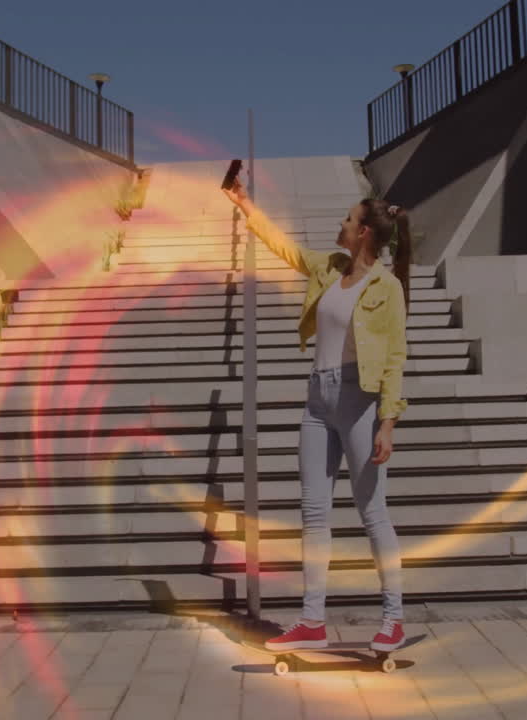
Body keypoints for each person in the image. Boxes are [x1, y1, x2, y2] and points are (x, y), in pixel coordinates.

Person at [221, 177, 412, 653]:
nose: (341, 224)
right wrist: (244, 203)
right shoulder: (330, 268)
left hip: (359, 399)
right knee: (313, 513)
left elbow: (394, 358)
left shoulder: (386, 287)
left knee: (372, 512)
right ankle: (312, 620)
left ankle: (393, 618)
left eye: (349, 219)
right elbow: (284, 248)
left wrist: (388, 421)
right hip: (317, 400)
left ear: (365, 232)